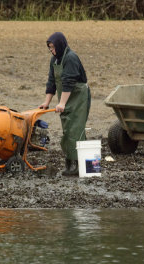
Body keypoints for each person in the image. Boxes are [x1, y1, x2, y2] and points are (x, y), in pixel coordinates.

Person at [39, 32, 91, 176]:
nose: (52, 50)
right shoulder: (54, 60)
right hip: (66, 99)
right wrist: (46, 102)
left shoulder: (71, 58)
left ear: (60, 45)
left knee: (76, 130)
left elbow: (68, 82)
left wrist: (61, 103)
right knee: (67, 130)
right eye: (49, 48)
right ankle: (70, 163)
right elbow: (52, 82)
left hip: (78, 97)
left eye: (53, 47)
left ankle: (80, 166)